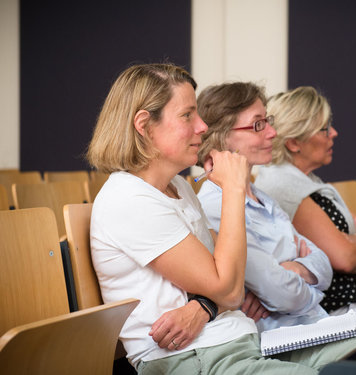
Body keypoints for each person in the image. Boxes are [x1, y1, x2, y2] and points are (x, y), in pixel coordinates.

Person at [86, 63, 322, 375]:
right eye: (187, 115)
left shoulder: (179, 187)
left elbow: (227, 282)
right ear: (144, 125)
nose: (202, 126)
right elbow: (231, 289)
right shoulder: (130, 199)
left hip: (235, 343)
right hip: (195, 359)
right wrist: (234, 189)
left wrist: (203, 306)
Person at [196, 81, 356, 368]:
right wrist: (299, 277)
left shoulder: (264, 199)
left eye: (268, 121)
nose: (273, 132)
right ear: (221, 138)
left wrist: (293, 271)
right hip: (283, 341)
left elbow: (324, 265)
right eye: (258, 125)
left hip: (316, 324)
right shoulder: (214, 207)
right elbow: (285, 296)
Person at [254, 86, 356, 329]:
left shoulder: (307, 181)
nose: (334, 133)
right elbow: (346, 259)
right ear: (295, 142)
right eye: (324, 128)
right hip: (336, 309)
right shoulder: (284, 185)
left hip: (355, 301)